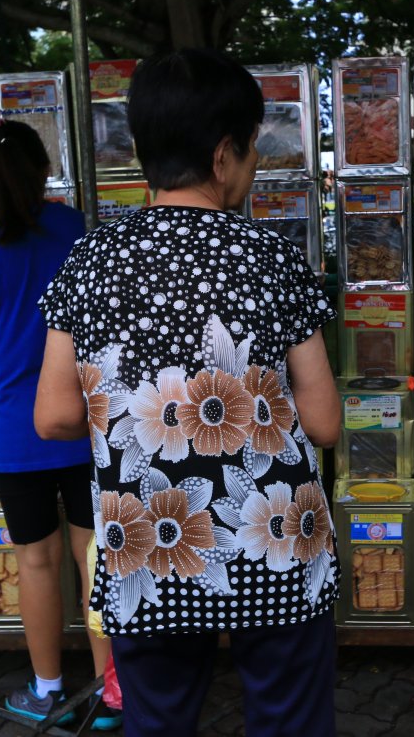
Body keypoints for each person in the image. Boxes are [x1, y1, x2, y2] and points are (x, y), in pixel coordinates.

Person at [35, 48, 341, 737]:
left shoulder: (89, 258)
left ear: (142, 148)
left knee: (159, 722)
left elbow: (53, 414)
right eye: (254, 147)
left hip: (146, 547)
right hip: (279, 545)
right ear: (225, 154)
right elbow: (323, 421)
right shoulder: (273, 258)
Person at [0, 119, 119, 730]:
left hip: (14, 431)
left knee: (37, 562)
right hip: (85, 420)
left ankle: (46, 691)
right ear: (45, 171)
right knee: (95, 556)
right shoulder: (76, 230)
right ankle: (111, 695)